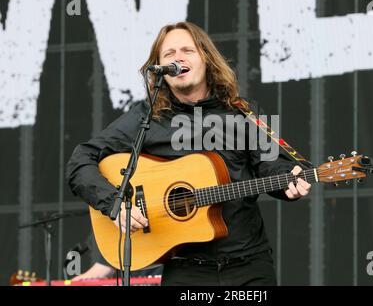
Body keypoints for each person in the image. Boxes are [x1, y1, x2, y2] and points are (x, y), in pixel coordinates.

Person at [66, 21, 312, 286]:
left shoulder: (245, 111)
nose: (178, 58)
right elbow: (80, 160)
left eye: (187, 50)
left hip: (249, 265)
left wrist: (289, 178)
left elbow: (271, 165)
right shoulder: (147, 116)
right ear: (159, 68)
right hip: (185, 270)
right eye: (169, 54)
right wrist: (114, 205)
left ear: (206, 58)